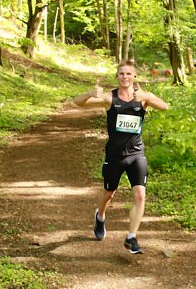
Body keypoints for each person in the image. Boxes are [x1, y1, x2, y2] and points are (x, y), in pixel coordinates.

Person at [72, 60, 169, 254]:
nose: (125, 77)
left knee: (140, 193)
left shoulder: (142, 97)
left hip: (136, 154)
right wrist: (90, 94)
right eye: (121, 74)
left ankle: (131, 237)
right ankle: (100, 216)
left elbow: (165, 106)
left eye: (128, 74)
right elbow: (77, 103)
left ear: (134, 77)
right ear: (117, 77)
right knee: (109, 193)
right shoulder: (109, 98)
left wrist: (148, 97)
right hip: (115, 155)